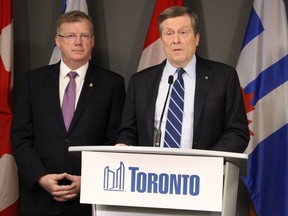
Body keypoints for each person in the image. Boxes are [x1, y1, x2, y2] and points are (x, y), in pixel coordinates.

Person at [11, 11, 125, 216]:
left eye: (84, 36)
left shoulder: (112, 84)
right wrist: (40, 177)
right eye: (71, 36)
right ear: (58, 41)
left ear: (93, 41)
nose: (78, 42)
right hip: (40, 199)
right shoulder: (33, 81)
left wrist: (90, 179)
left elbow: (115, 140)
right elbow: (21, 137)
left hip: (88, 199)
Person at [117, 6, 249, 152]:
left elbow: (238, 133)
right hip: (152, 171)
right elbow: (128, 132)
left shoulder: (223, 77)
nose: (176, 40)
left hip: (204, 171)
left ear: (196, 38)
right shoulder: (140, 82)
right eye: (169, 34)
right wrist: (124, 145)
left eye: (183, 33)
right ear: (162, 41)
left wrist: (207, 161)